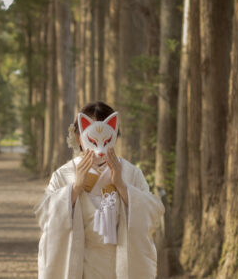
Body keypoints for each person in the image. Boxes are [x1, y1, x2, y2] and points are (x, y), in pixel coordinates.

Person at [35, 101, 164, 279]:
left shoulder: (131, 174)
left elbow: (152, 214)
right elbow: (46, 217)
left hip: (119, 267)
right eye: (92, 139)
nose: (100, 149)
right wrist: (74, 190)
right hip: (79, 264)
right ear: (79, 137)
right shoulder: (63, 175)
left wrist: (122, 186)